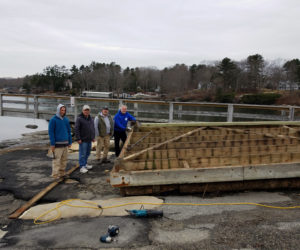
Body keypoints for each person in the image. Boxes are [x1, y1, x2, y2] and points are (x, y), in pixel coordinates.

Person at [48, 104, 72, 180]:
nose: (63, 111)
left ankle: (62, 173)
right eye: (62, 110)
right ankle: (55, 175)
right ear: (58, 110)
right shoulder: (53, 120)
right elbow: (51, 132)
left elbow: (69, 131)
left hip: (65, 143)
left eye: (64, 110)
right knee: (56, 160)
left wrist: (70, 142)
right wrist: (52, 144)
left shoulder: (66, 119)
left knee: (64, 160)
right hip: (57, 144)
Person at [75, 105, 95, 173]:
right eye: (85, 110)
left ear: (89, 111)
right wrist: (78, 138)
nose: (86, 111)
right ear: (82, 111)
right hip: (83, 140)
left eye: (88, 110)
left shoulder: (91, 118)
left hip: (89, 139)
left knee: (87, 153)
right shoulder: (79, 118)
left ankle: (85, 164)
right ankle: (82, 166)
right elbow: (76, 129)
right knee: (82, 154)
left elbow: (92, 128)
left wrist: (93, 137)